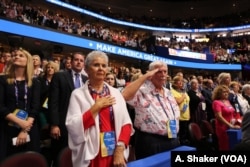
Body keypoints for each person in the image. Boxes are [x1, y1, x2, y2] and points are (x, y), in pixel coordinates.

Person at [65, 50, 133, 167]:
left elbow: (126, 124)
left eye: (103, 65)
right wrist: (96, 107)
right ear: (86, 70)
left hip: (114, 152)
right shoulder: (77, 94)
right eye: (96, 65)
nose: (101, 68)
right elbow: (73, 126)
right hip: (91, 156)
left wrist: (120, 148)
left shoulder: (116, 93)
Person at [122, 60, 180, 160]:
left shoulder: (167, 92)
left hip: (172, 138)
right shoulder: (142, 90)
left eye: (165, 71)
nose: (163, 74)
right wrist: (145, 77)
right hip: (151, 142)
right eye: (159, 71)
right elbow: (124, 96)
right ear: (150, 73)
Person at [0, 48, 40, 162]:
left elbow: (35, 107)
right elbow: (1, 106)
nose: (16, 57)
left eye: (21, 55)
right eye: (15, 55)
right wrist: (20, 122)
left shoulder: (35, 82)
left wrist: (24, 129)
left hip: (29, 128)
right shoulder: (3, 79)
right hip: (6, 127)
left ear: (28, 61)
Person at [48, 52, 88, 166]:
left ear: (84, 64)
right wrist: (54, 124)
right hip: (62, 123)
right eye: (76, 59)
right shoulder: (60, 76)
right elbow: (53, 101)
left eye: (81, 60)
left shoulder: (87, 80)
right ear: (70, 61)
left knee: (78, 156)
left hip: (81, 123)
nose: (79, 62)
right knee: (60, 155)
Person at [212, 85, 241, 151]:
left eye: (227, 92)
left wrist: (236, 122)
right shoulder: (216, 102)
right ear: (219, 94)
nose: (226, 93)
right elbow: (219, 116)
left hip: (231, 126)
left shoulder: (227, 101)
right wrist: (230, 125)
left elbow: (232, 114)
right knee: (224, 146)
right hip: (222, 127)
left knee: (232, 145)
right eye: (224, 92)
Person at [171, 75, 190, 145]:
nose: (182, 83)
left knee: (184, 134)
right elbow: (178, 101)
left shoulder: (184, 91)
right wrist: (183, 96)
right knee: (179, 134)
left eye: (182, 81)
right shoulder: (172, 91)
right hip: (178, 116)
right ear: (175, 83)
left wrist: (189, 114)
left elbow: (187, 103)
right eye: (180, 81)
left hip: (186, 115)